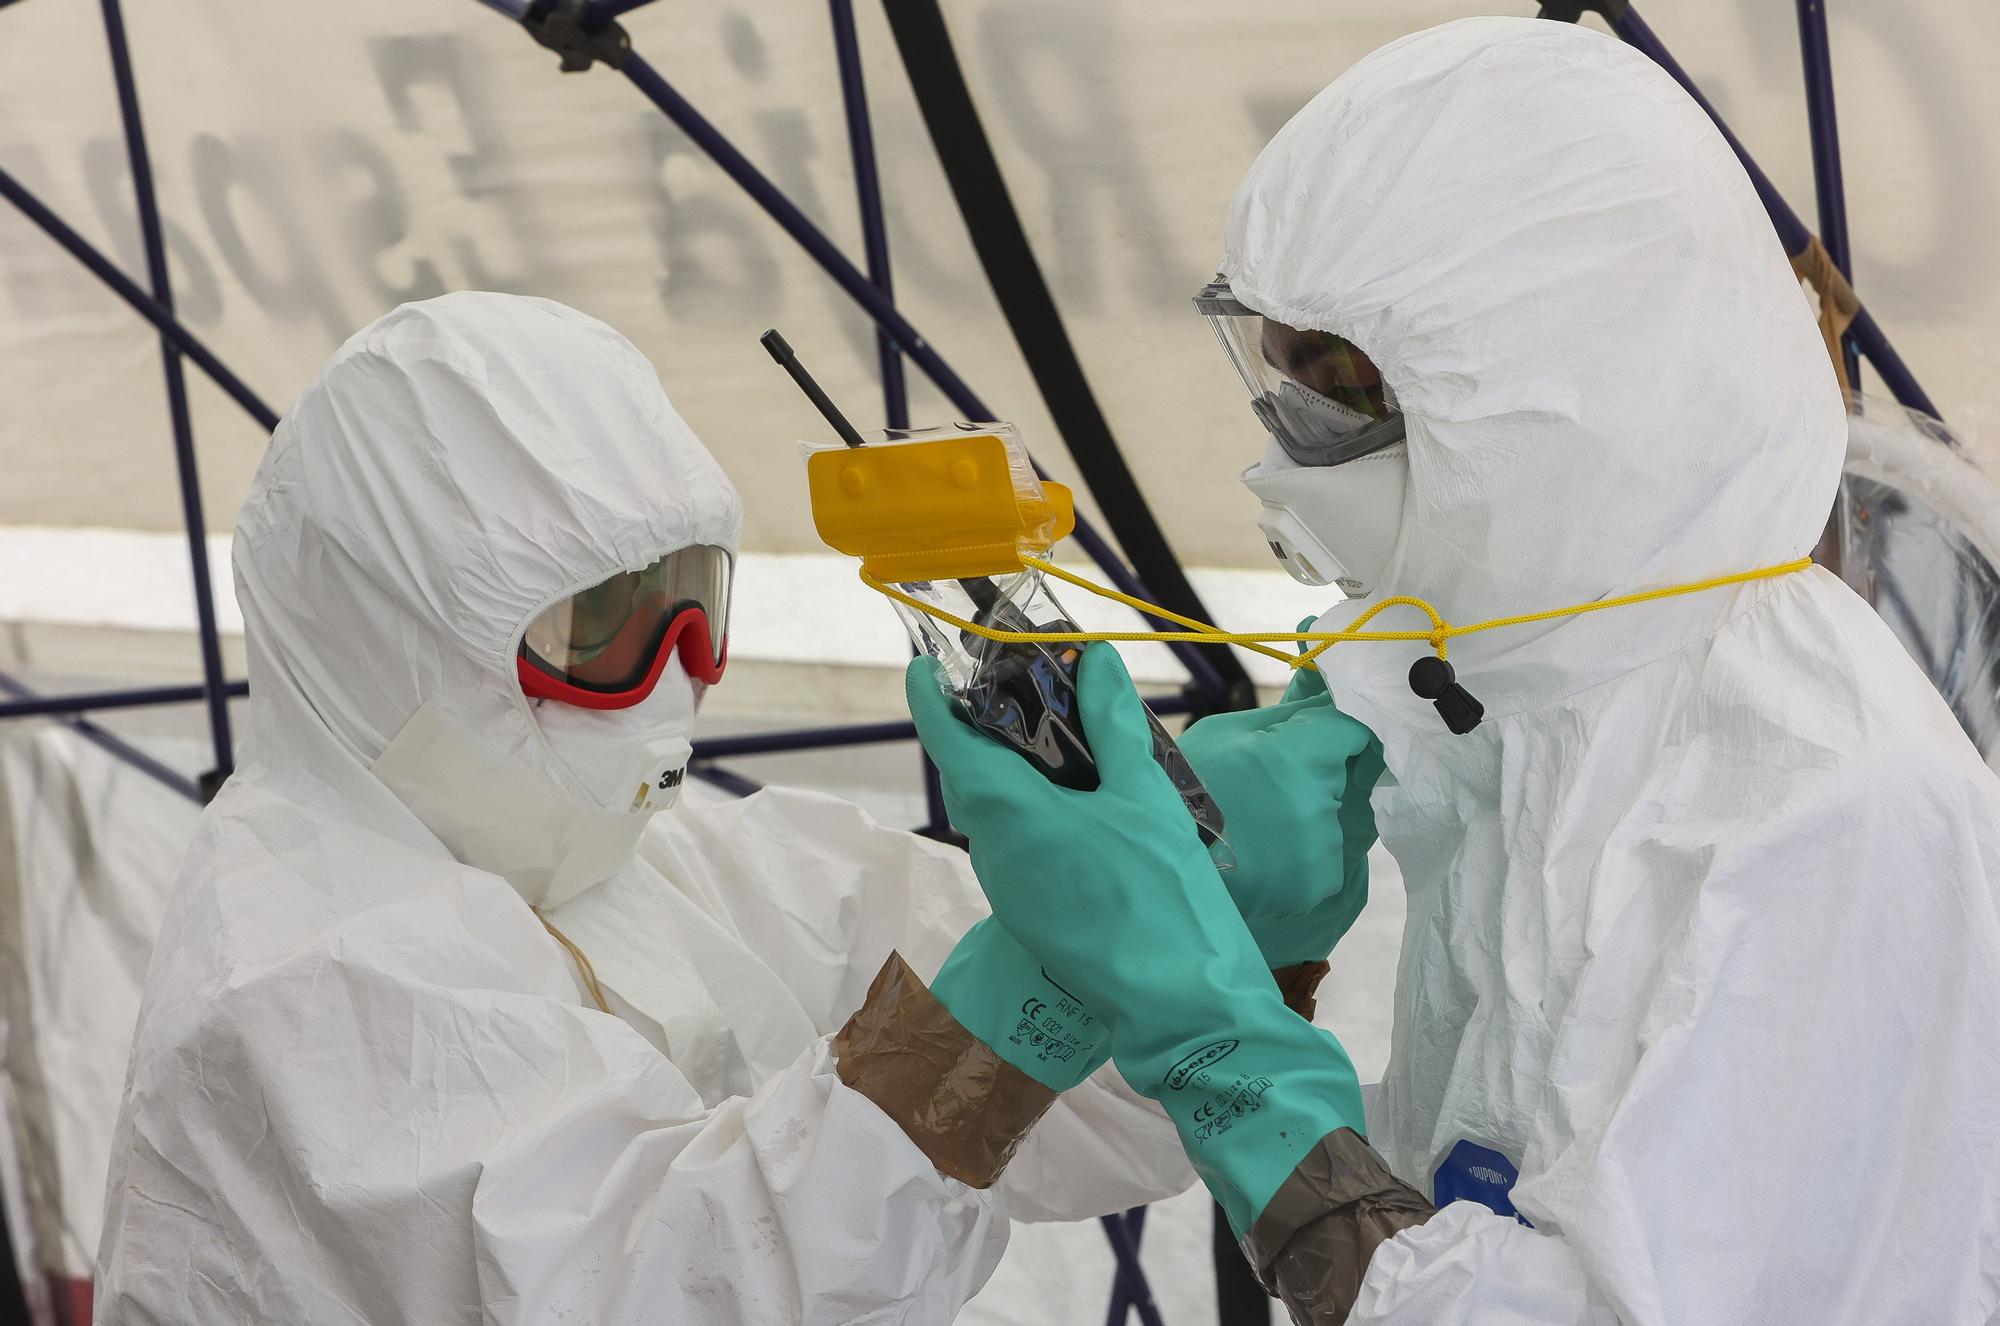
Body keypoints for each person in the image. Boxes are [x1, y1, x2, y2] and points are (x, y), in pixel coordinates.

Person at [910, 17, 2000, 1325]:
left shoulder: (1812, 805)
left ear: (1570, 379)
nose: (1290, 445)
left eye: (1342, 381)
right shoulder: (1549, 682)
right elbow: (900, 1176)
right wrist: (1212, 902)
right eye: (1284, 374)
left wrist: (1223, 1036)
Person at [95, 292, 1227, 1323]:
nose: (678, 672)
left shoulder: (651, 863)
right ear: (392, 642)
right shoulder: (293, 977)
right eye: (604, 626)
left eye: (691, 604)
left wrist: (1220, 926)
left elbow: (1108, 1109)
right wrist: (1000, 1015)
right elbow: (667, 1286)